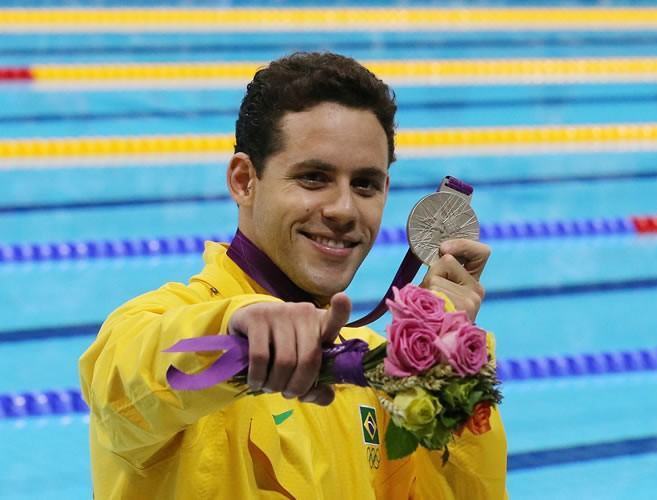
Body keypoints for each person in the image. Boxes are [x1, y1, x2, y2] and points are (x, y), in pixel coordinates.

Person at [79, 52, 508, 499]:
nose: (343, 209)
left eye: (364, 185)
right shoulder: (163, 323)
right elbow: (121, 384)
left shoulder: (372, 370)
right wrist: (233, 333)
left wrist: (447, 369)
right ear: (245, 181)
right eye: (313, 178)